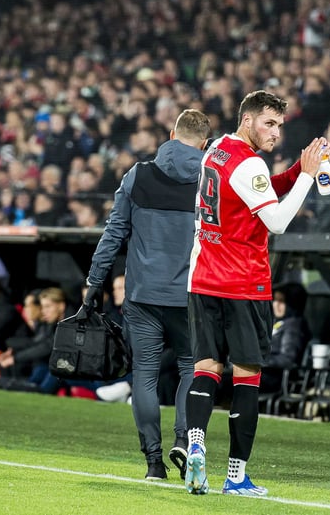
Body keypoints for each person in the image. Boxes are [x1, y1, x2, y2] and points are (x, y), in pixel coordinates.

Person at [184, 90, 327, 496]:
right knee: (247, 377)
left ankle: (196, 441)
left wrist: (299, 167)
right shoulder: (250, 165)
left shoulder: (217, 150)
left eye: (279, 125)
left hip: (203, 278)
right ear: (247, 120)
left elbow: (256, 190)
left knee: (206, 368)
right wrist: (306, 178)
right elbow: (278, 220)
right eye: (269, 123)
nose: (276, 132)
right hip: (244, 284)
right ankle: (235, 476)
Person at [80, 108, 212, 481]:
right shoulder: (210, 180)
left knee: (145, 376)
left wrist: (94, 283)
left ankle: (153, 462)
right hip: (190, 295)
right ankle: (185, 441)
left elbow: (113, 234)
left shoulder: (137, 175)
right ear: (204, 143)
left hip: (142, 295)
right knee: (191, 368)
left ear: (172, 133)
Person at [261, 282, 312, 393]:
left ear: (293, 303)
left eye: (281, 301)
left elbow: (288, 359)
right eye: (275, 300)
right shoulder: (276, 322)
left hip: (276, 377)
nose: (276, 305)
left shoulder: (294, 326)